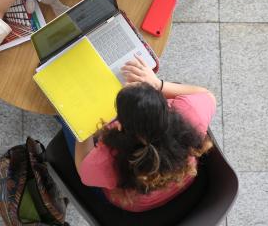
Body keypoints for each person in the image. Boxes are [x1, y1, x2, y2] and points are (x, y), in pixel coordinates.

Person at [61, 55, 215, 212]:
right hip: (182, 180)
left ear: (120, 123)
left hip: (135, 204)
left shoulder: (107, 160)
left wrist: (81, 125)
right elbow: (206, 94)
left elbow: (84, 173)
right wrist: (158, 83)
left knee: (68, 121)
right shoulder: (190, 113)